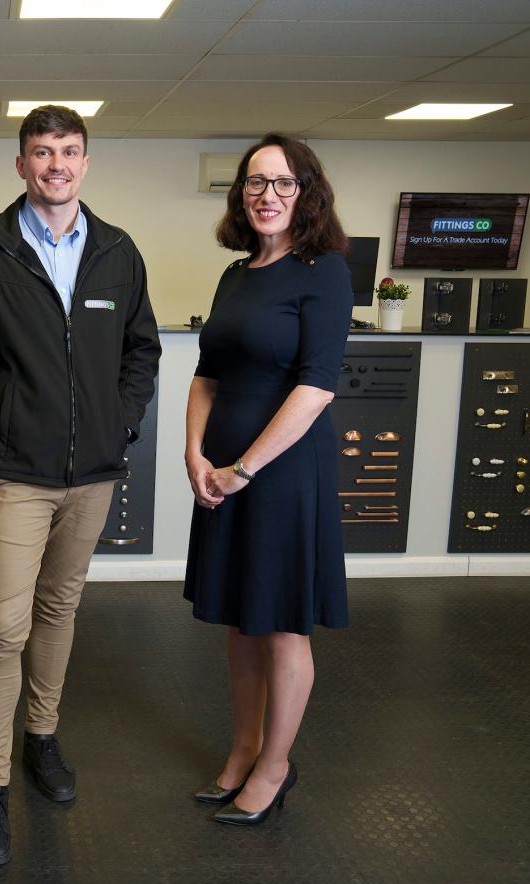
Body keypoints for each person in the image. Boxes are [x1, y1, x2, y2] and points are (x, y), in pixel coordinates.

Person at [0, 105, 161, 865]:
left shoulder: (119, 252)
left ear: (85, 161)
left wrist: (117, 426)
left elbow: (142, 351)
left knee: (60, 606)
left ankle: (42, 737)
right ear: (21, 164)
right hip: (12, 475)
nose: (55, 164)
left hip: (90, 475)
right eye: (40, 152)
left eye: (68, 151)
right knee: (2, 623)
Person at [182, 133, 352, 826]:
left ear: (307, 192)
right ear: (239, 193)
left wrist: (243, 468)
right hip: (221, 475)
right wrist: (195, 454)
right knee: (241, 621)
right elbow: (207, 374)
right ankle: (244, 745)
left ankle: (276, 766)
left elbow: (316, 388)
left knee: (281, 625)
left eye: (283, 183)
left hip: (281, 475)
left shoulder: (325, 271)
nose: (268, 195)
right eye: (255, 183)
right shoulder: (237, 273)